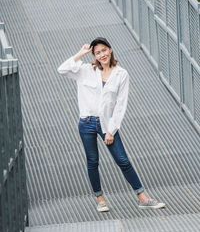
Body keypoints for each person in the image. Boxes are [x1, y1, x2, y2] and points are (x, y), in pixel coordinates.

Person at [57, 37, 166, 212]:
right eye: (97, 52)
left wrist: (111, 130)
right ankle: (100, 199)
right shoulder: (86, 70)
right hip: (86, 123)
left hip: (106, 123)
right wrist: (81, 53)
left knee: (122, 160)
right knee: (92, 161)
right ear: (94, 55)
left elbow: (121, 105)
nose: (102, 55)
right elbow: (62, 69)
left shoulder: (121, 74)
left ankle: (143, 198)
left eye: (104, 50)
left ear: (110, 49)